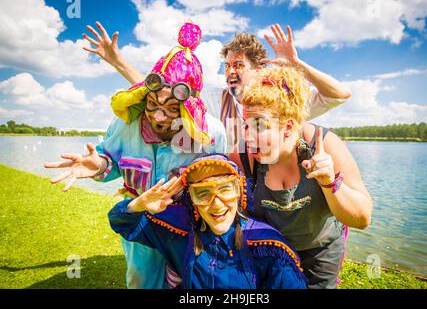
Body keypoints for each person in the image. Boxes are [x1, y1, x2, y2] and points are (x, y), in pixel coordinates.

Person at [45, 22, 227, 289]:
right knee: (140, 280)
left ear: (189, 110)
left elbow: (220, 182)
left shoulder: (212, 133)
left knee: (190, 281)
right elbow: (111, 161)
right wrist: (99, 164)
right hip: (139, 222)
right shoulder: (126, 124)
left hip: (186, 228)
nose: (157, 116)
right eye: (152, 105)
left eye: (171, 109)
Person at [82, 22, 351, 149]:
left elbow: (339, 95)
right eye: (227, 66)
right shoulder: (215, 97)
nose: (231, 71)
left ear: (258, 69)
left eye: (239, 65)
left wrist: (296, 64)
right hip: (226, 190)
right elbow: (162, 90)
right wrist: (118, 62)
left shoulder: (282, 103)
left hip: (268, 190)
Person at [230, 66, 373, 289]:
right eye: (245, 125)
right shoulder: (244, 156)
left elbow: (362, 218)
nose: (247, 136)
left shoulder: (323, 145)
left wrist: (328, 182)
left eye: (258, 125)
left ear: (288, 127)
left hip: (320, 252)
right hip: (272, 249)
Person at [108, 154, 309, 289]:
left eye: (225, 189)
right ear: (191, 199)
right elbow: (123, 223)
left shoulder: (268, 246)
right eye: (202, 193)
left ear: (239, 192)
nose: (216, 204)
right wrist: (138, 204)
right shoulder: (177, 230)